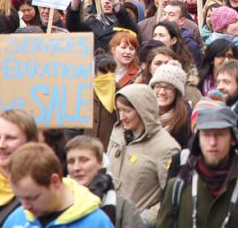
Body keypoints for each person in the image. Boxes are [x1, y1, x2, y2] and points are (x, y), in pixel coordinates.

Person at [157, 104, 238, 227]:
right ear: (197, 139)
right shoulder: (177, 190)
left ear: (233, 139)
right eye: (206, 134)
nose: (212, 142)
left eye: (220, 134)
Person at [106, 84, 181, 225]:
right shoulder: (118, 133)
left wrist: (143, 220)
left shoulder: (167, 148)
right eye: (119, 110)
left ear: (143, 111)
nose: (121, 117)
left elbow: (171, 197)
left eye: (127, 111)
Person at [3, 143, 112, 227]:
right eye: (20, 198)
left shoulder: (96, 223)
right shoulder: (17, 220)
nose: (26, 206)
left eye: (32, 197)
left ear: (55, 181)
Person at [65, 136, 144, 228]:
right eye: (71, 162)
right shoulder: (56, 201)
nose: (76, 168)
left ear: (100, 163)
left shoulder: (122, 206)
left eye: (84, 160)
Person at [67, 0, 139, 52]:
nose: (107, 2)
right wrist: (75, 0)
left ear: (120, 2)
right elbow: (73, 27)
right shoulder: (91, 22)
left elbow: (132, 28)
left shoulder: (126, 24)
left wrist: (115, 1)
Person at [150, 60, 192, 148]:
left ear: (177, 93)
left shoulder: (185, 122)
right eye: (158, 86)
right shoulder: (141, 113)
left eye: (168, 87)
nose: (162, 92)